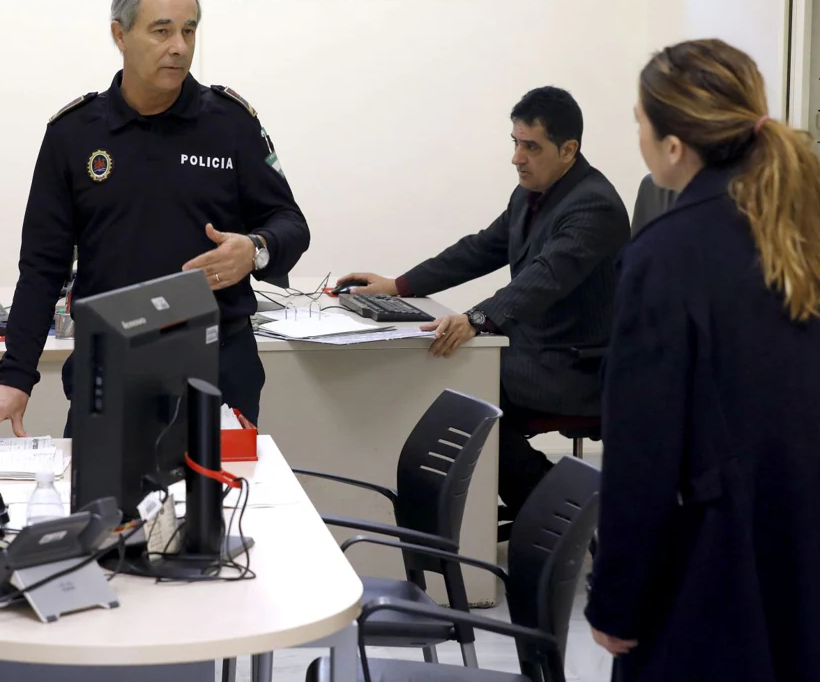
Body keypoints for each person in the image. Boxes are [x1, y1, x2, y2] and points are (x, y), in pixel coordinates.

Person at [0, 0, 309, 440]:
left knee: (221, 511)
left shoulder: (229, 123)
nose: (179, 46)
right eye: (162, 30)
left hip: (217, 366)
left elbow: (290, 222)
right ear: (119, 35)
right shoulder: (75, 134)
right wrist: (15, 376)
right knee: (98, 509)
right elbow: (43, 265)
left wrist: (255, 248)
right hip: (111, 365)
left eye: (189, 31)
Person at [586, 40, 820, 680]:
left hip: (716, 568)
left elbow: (644, 451)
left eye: (639, 119)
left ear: (672, 145)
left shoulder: (666, 253)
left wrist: (618, 599)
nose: (636, 132)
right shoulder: (800, 223)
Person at [338, 87, 630, 526]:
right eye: (515, 142)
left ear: (568, 149)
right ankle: (548, 504)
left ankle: (559, 512)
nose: (517, 157)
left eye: (531, 146)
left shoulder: (593, 205)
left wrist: (478, 318)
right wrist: (398, 284)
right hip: (537, 350)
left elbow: (544, 277)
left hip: (576, 366)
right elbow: (480, 248)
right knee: (451, 387)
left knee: (466, 398)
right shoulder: (533, 192)